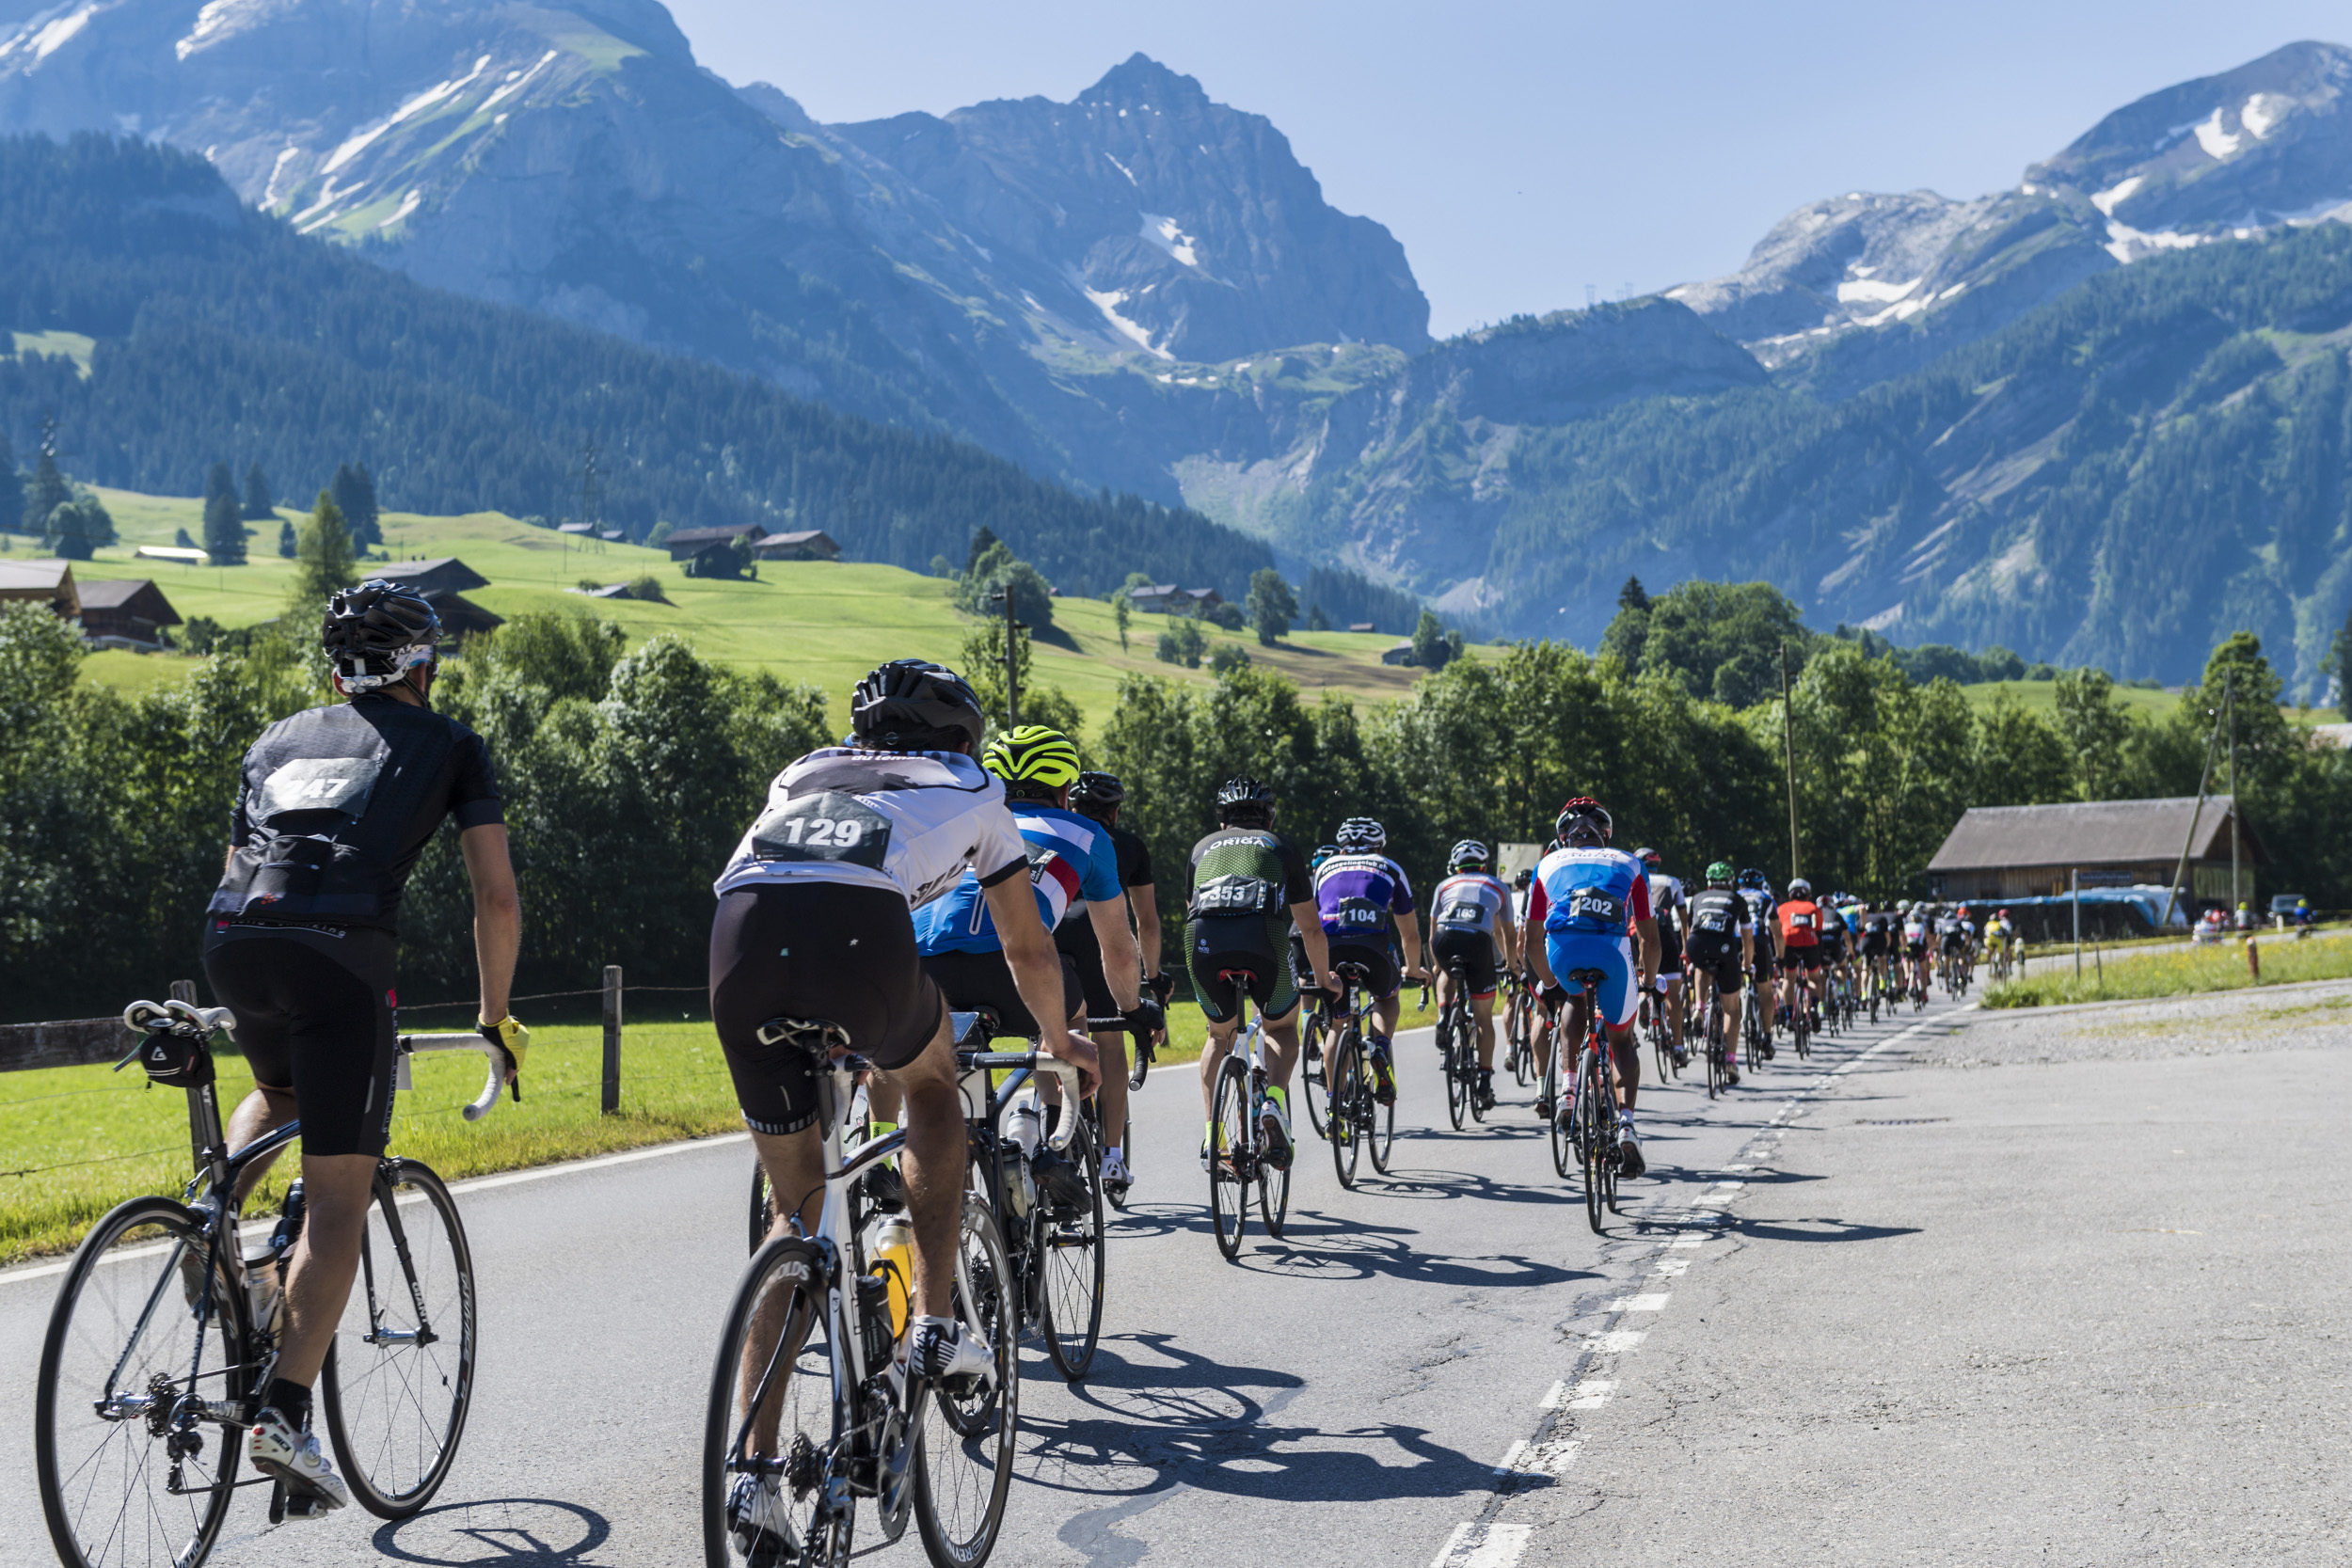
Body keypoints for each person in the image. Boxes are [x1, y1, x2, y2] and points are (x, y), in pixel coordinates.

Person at [707, 663, 1104, 1556]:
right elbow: (1026, 944)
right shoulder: (975, 786)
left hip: (739, 942)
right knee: (932, 1086)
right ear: (961, 738)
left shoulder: (802, 771)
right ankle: (933, 1323)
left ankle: (753, 1473)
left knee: (795, 1210)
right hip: (857, 940)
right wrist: (1060, 1038)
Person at [201, 581, 521, 1516]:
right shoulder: (450, 742)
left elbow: (237, 866)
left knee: (280, 1088)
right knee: (340, 1198)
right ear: (421, 666)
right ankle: (285, 1414)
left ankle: (212, 1216)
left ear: (339, 672)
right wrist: (494, 1016)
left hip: (233, 938)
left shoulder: (275, 739)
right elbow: (495, 895)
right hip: (341, 953)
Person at [913, 727, 1156, 1204]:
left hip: (924, 971)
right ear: (1065, 791)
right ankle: (1056, 1148)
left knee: (947, 1080)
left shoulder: (960, 822)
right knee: (1068, 1014)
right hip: (1009, 970)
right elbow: (1119, 951)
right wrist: (1131, 1007)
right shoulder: (1087, 833)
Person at [1185, 778, 1337, 1171]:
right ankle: (1273, 1100)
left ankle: (1214, 1137)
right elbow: (1311, 929)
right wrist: (1324, 981)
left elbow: (1193, 909)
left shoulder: (1201, 847)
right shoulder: (1280, 845)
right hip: (1264, 938)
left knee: (1218, 1035)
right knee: (1281, 1028)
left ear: (1223, 822)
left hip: (1203, 941)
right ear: (1269, 819)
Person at [1527, 799, 1659, 1174]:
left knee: (1572, 996)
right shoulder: (1630, 862)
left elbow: (1531, 942)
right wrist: (1649, 984)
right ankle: (1627, 1125)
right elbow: (1650, 940)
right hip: (1612, 952)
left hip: (1562, 950)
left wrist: (1550, 984)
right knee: (1622, 1041)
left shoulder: (1547, 864)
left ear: (1564, 838)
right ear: (1605, 836)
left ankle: (1568, 1088)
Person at [1061, 769, 1162, 1202]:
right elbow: (1146, 921)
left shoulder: (1060, 830)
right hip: (1097, 934)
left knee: (1053, 1034)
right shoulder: (1129, 845)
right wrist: (1152, 978)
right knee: (1111, 1039)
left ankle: (1055, 1134)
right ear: (1115, 811)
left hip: (1052, 931)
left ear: (1071, 804)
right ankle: (1113, 1156)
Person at [1313, 817, 1426, 1104]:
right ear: (1379, 848)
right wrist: (1413, 969)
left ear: (1342, 849)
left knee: (1337, 1025)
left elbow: (1311, 922)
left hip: (1331, 946)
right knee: (1386, 997)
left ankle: (1335, 1106)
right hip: (1373, 946)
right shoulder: (1390, 867)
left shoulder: (1324, 868)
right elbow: (1410, 934)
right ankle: (1379, 1047)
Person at [1428, 839, 1519, 1111]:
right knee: (1483, 1020)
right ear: (1485, 865)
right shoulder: (1498, 886)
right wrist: (1512, 965)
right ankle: (1484, 1081)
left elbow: (1432, 932)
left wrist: (1437, 965)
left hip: (1444, 938)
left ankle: (1443, 1014)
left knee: (1446, 971)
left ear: (1455, 866)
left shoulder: (1443, 885)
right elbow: (1508, 934)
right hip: (1478, 941)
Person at [1679, 863, 1755, 1086]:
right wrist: (1746, 965)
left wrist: (1688, 955)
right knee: (1732, 1009)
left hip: (1697, 944)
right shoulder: (1737, 899)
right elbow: (1748, 939)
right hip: (1724, 947)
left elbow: (1690, 929)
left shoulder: (1697, 897)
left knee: (1701, 966)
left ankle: (1699, 1007)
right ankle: (1730, 1060)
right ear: (1730, 882)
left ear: (1709, 883)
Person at [1636, 847, 1690, 1068]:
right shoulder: (1671, 881)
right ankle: (1678, 1047)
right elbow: (1684, 920)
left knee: (1632, 982)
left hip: (1636, 933)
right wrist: (1685, 948)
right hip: (1664, 934)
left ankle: (1641, 999)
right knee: (1673, 997)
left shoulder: (1633, 878)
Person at [1736, 869, 1778, 1056]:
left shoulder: (1734, 896)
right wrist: (1780, 957)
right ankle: (1767, 1038)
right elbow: (1777, 933)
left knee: (1729, 989)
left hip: (1736, 942)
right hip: (1759, 943)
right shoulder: (1766, 898)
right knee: (1766, 993)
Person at [1775, 878, 1824, 1029]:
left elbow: (1776, 932)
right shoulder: (1814, 908)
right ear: (1808, 894)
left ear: (1790, 894)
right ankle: (1814, 1007)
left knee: (1789, 980)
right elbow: (1819, 932)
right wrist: (1819, 954)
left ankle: (1789, 1014)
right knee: (1813, 979)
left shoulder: (1782, 908)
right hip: (1809, 944)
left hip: (1789, 944)